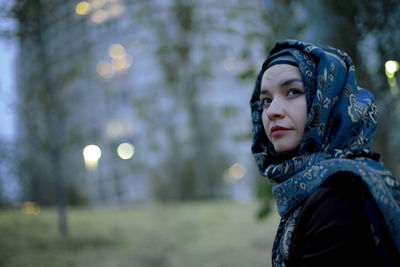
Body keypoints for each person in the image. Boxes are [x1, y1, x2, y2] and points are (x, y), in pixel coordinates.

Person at [250, 40, 400, 267]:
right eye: (266, 101)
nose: (272, 112)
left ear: (329, 98)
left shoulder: (338, 195)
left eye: (293, 91)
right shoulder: (313, 185)